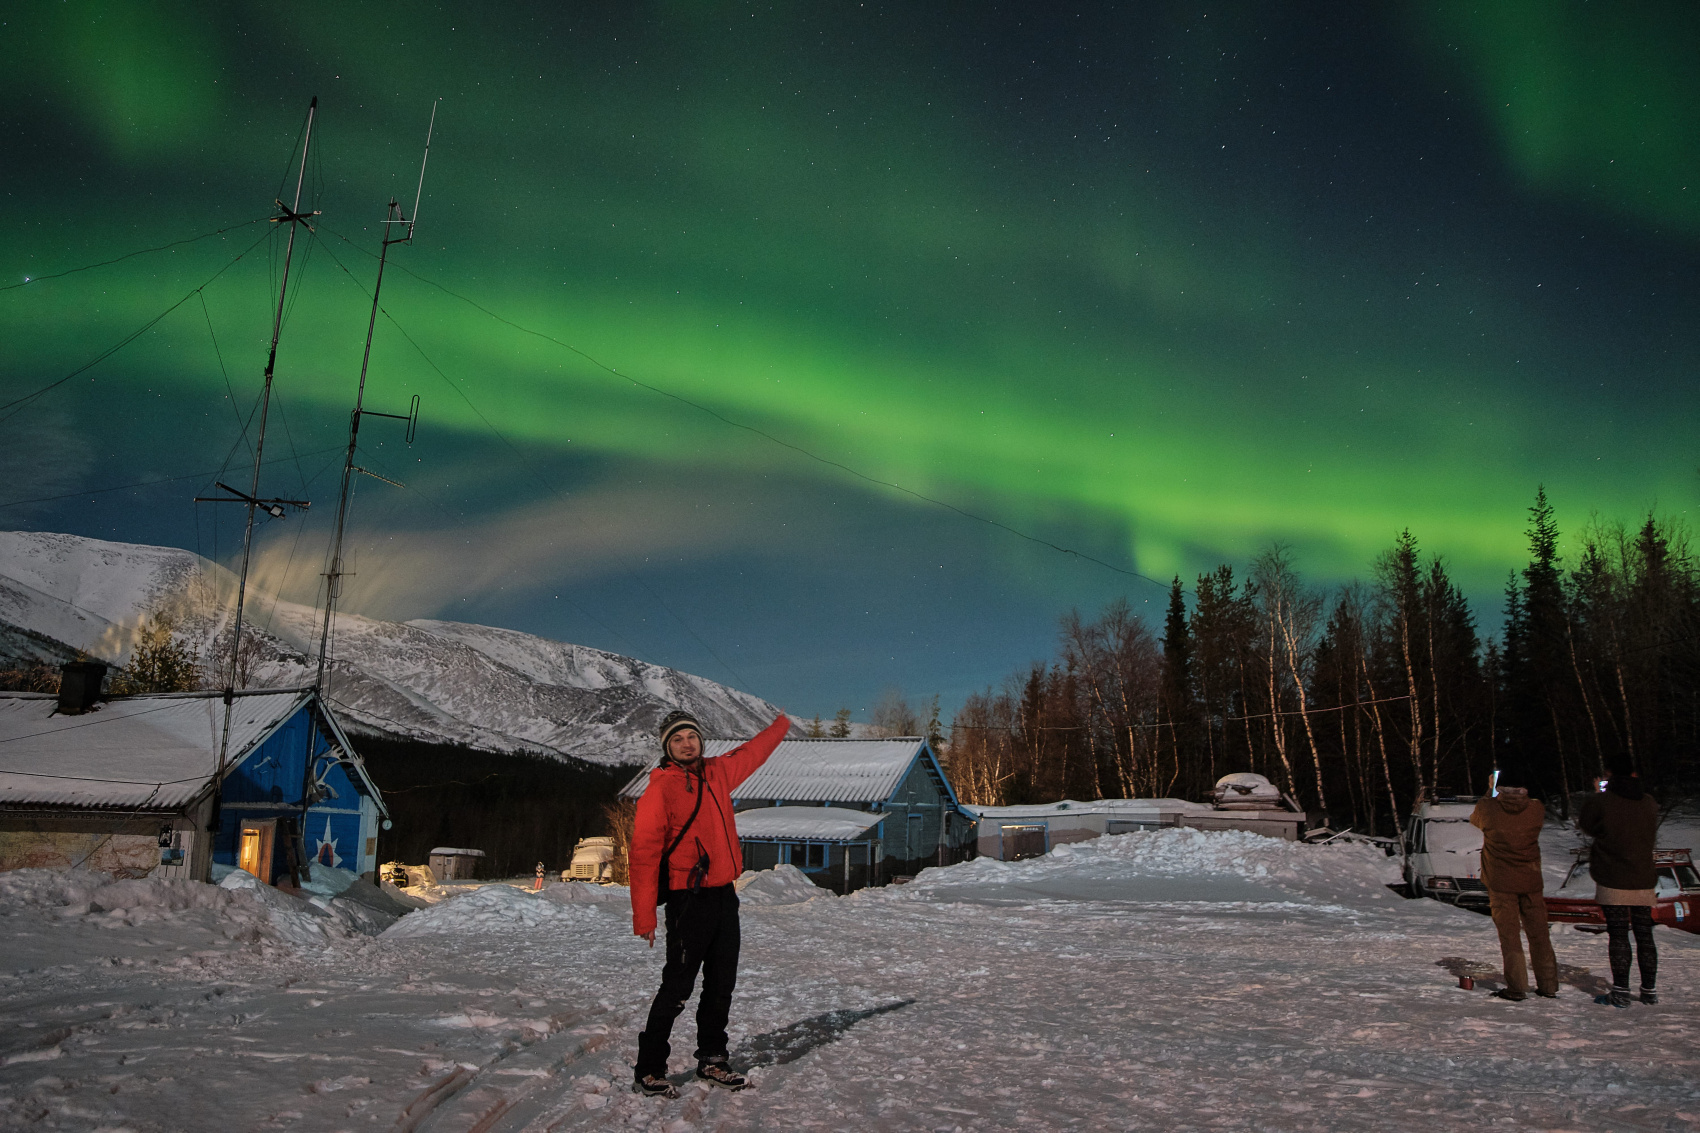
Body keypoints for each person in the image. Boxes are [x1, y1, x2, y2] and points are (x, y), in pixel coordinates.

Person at [629, 708, 790, 1097]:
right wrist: (644, 913)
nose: (687, 744)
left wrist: (782, 725)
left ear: (701, 740)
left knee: (721, 984)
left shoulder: (717, 772)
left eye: (692, 737)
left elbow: (753, 752)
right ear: (667, 747)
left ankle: (713, 1059)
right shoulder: (661, 788)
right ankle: (649, 1069)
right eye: (678, 739)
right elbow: (644, 853)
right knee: (678, 987)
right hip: (688, 900)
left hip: (723, 896)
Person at [1578, 759, 1660, 1008]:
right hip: (1643, 876)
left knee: (1618, 934)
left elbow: (1588, 825)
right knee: (1645, 935)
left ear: (1609, 775)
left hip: (1612, 875)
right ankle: (1649, 991)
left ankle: (1621, 991)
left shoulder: (1603, 801)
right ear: (1634, 774)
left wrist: (1598, 793)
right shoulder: (1649, 802)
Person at [1470, 784, 1558, 1001]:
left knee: (1510, 937)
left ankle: (1517, 987)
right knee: (1539, 935)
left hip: (1501, 882)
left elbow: (1475, 820)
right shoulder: (1536, 809)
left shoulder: (1487, 807)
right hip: (1530, 880)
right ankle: (1548, 985)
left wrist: (1489, 791)